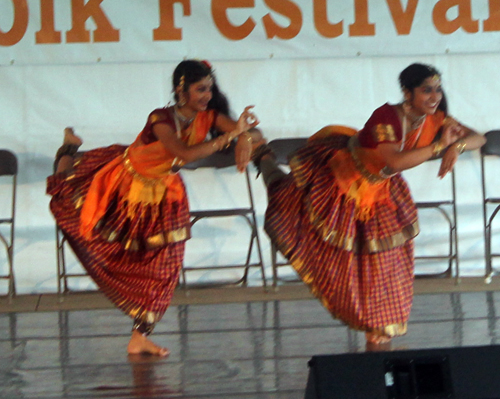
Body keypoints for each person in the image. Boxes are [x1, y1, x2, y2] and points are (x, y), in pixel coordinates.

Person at [253, 63, 486, 348]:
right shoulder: (386, 116)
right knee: (283, 196)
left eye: (437, 89)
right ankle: (262, 155)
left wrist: (457, 146)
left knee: (386, 270)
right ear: (407, 92)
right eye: (427, 90)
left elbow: (480, 138)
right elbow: (395, 162)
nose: (435, 96)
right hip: (340, 182)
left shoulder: (435, 119)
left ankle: (378, 339)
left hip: (378, 196)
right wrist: (440, 147)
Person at [47, 59, 263, 356]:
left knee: (166, 268)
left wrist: (245, 141)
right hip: (123, 184)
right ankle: (68, 149)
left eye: (210, 89)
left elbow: (255, 135)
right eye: (201, 90)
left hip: (164, 194)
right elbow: (183, 153)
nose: (207, 96)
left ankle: (140, 335)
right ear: (181, 89)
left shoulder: (209, 117)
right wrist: (232, 136)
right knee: (65, 191)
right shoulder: (159, 118)